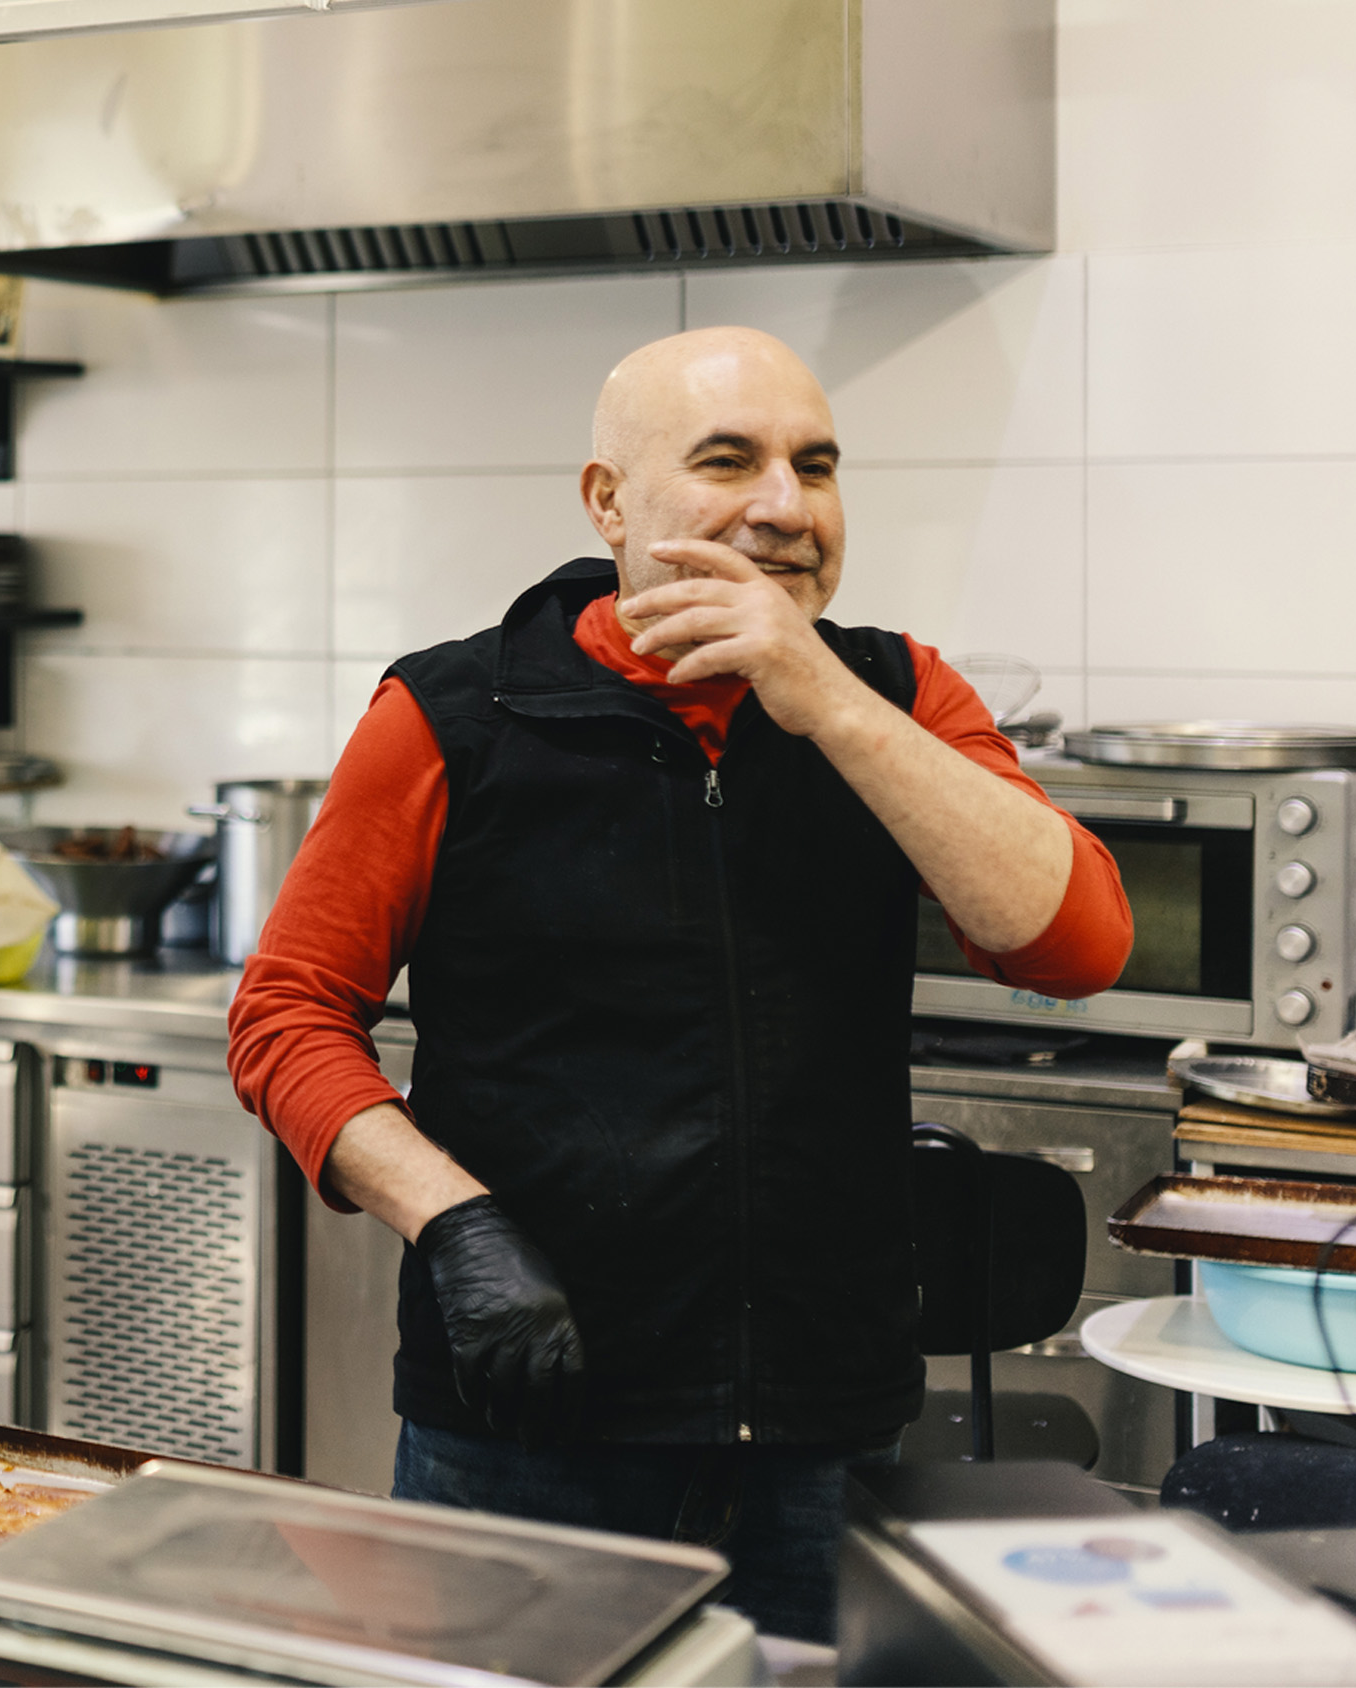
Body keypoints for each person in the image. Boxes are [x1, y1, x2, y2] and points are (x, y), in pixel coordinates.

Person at [226, 326, 1133, 1643]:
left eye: (815, 467)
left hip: (825, 1433)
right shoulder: (455, 716)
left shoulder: (899, 694)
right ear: (609, 503)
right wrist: (452, 1221)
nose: (785, 505)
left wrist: (824, 698)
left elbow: (1075, 946)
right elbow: (286, 1015)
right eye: (728, 461)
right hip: (530, 1424)